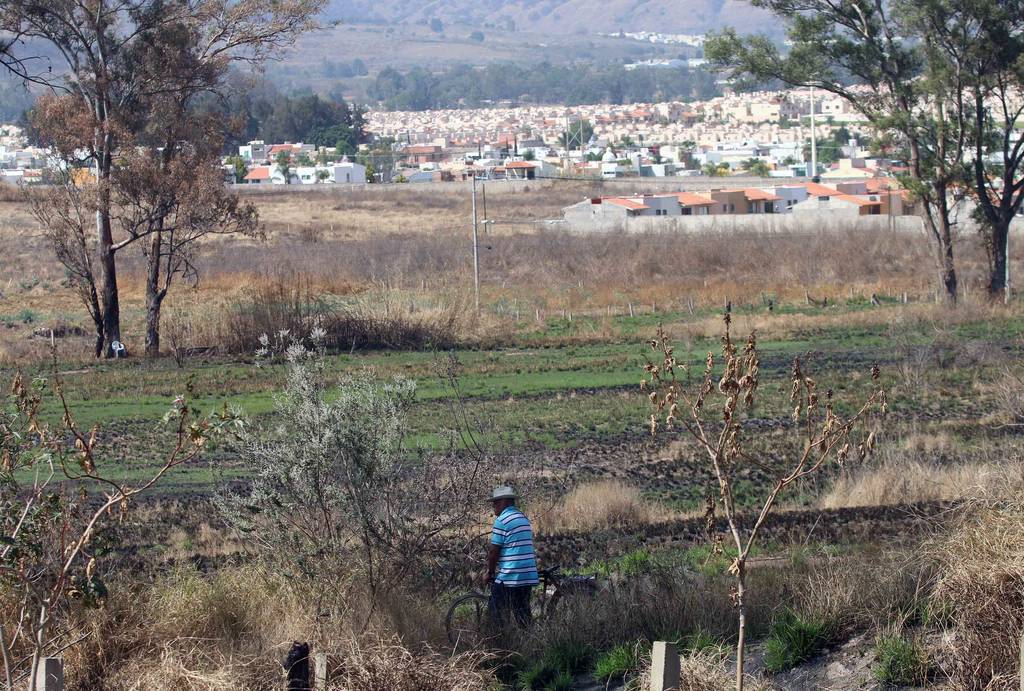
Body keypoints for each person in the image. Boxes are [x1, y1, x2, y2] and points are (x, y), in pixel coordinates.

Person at [483, 485, 538, 628]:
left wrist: (490, 572)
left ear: (505, 502)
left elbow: (494, 552)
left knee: (495, 613)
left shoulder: (502, 520)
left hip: (511, 575)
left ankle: (497, 639)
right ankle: (529, 639)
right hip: (528, 575)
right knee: (523, 615)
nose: (494, 506)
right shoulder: (523, 518)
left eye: (496, 502)